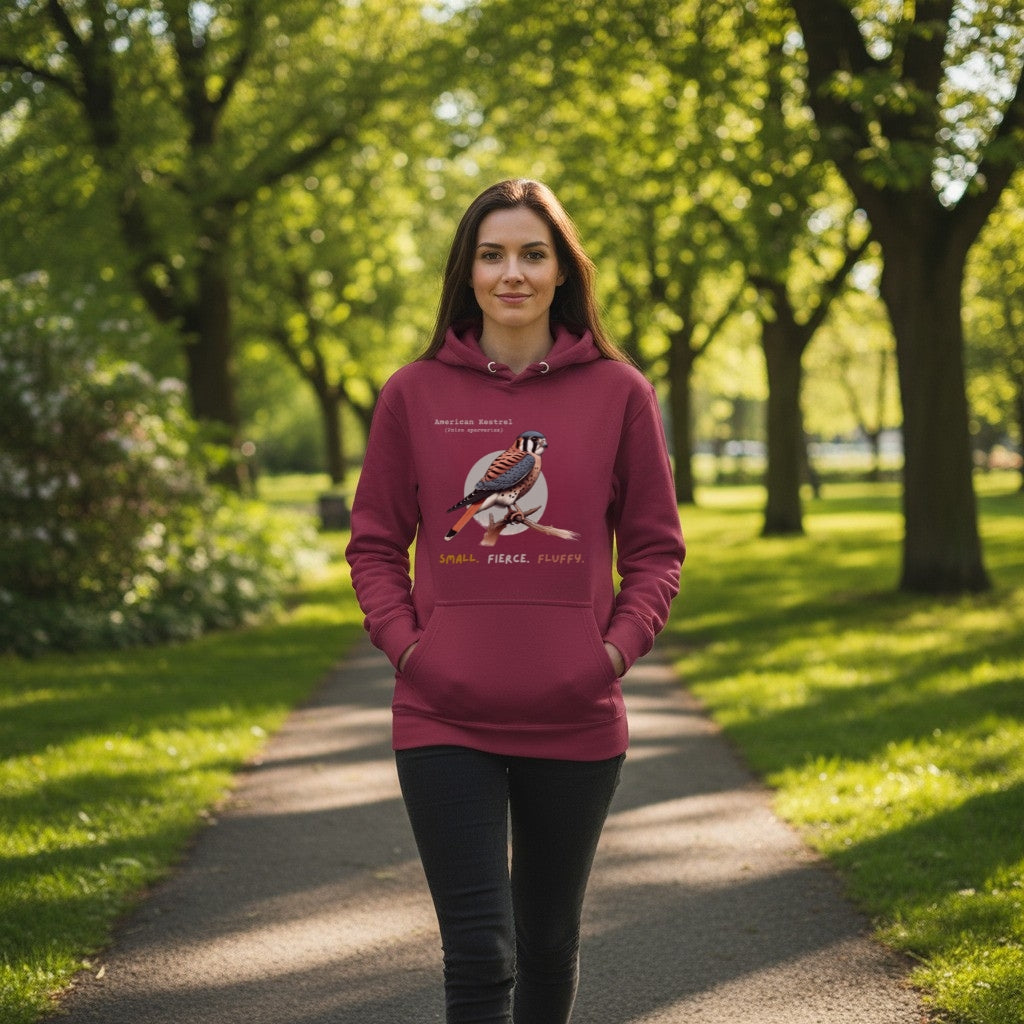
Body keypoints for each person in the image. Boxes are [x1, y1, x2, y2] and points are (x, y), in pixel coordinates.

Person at [345, 178, 685, 1024]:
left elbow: (654, 549)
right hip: (441, 716)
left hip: (575, 714)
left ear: (564, 272)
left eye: (534, 254)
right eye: (492, 254)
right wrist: (409, 647)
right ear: (467, 273)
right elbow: (376, 543)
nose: (513, 273)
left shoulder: (621, 394)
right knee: (478, 949)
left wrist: (610, 652)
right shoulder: (411, 393)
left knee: (546, 941)